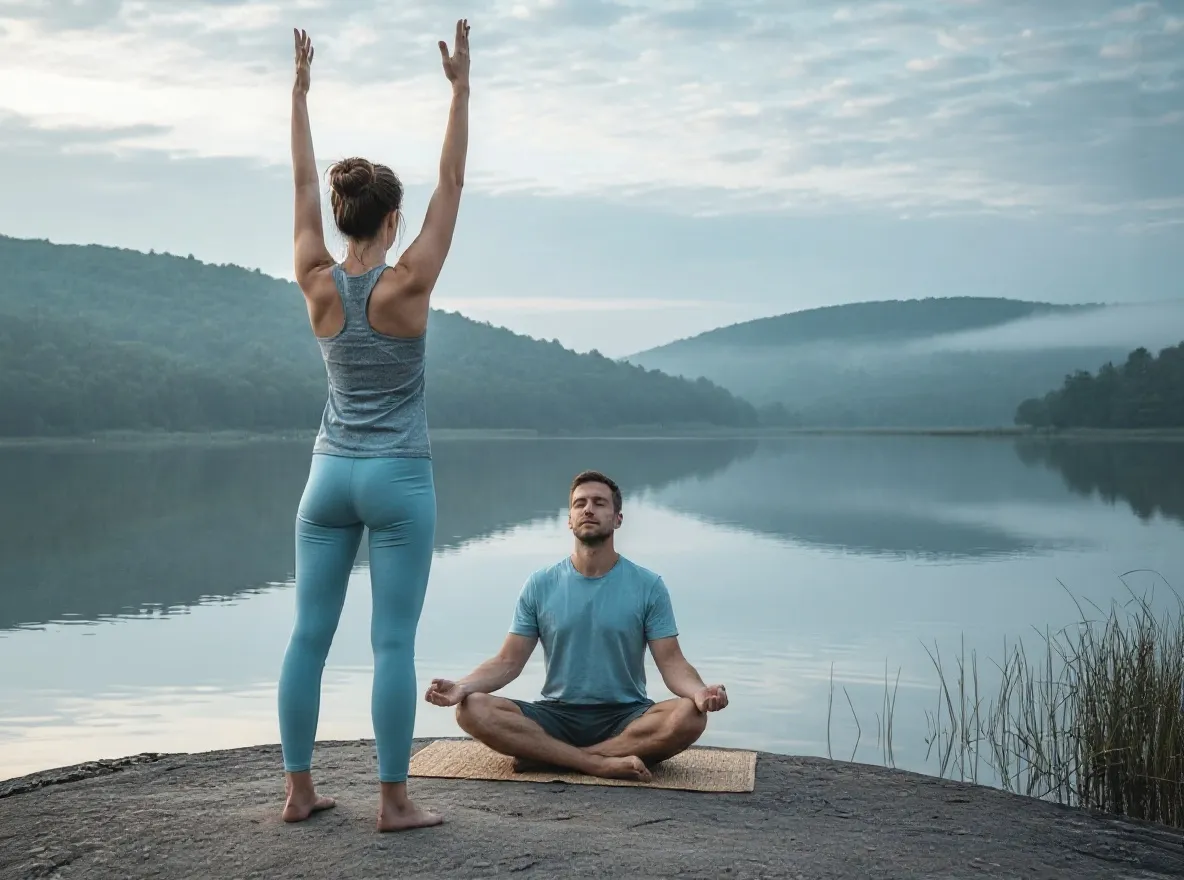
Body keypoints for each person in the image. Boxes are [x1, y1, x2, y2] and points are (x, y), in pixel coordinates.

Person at [275, 20, 471, 831]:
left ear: (342, 215)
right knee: (393, 643)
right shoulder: (411, 283)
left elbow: (297, 185)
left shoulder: (314, 279)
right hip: (398, 477)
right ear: (391, 221)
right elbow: (451, 184)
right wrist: (460, 91)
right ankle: (393, 802)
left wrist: (298, 94)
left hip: (327, 478)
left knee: (307, 637)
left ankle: (299, 792)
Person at [424, 471, 729, 782]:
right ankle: (599, 763)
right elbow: (507, 662)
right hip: (556, 714)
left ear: (618, 518)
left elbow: (673, 662)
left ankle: (552, 756)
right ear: (569, 519)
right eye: (579, 503)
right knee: (470, 708)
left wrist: (699, 692)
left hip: (627, 716)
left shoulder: (648, 585)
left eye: (599, 503)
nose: (588, 509)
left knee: (691, 715)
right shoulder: (540, 584)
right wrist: (462, 686)